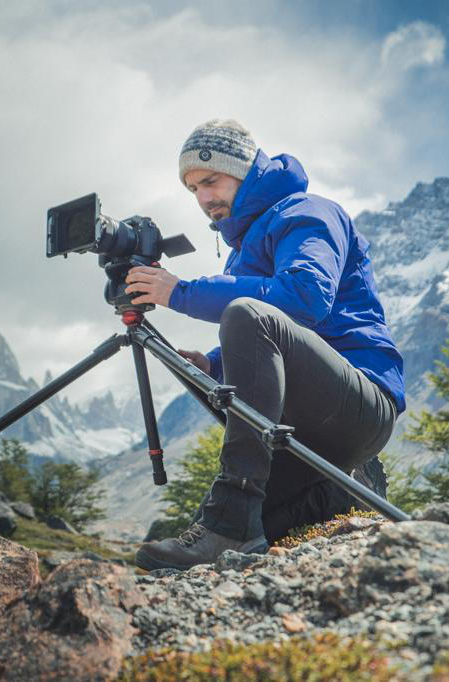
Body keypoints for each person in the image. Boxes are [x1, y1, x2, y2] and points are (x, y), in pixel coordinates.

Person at [126, 120, 405, 571]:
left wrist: (180, 293)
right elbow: (280, 346)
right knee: (256, 528)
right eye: (193, 188)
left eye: (210, 181)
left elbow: (304, 300)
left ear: (243, 170)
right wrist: (212, 366)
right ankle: (350, 487)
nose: (203, 199)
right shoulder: (245, 243)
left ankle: (234, 520)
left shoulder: (308, 212)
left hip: (361, 408)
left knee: (245, 313)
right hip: (309, 431)